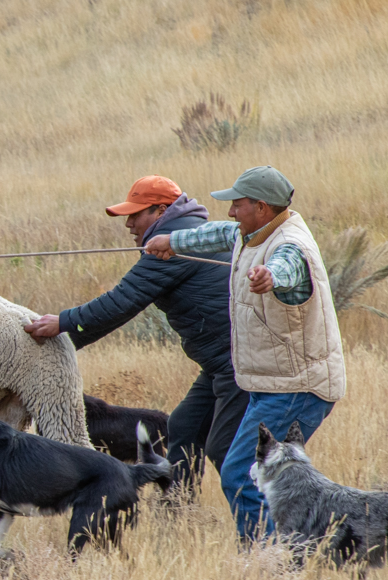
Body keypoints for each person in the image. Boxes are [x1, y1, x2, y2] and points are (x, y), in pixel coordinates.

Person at [145, 165, 346, 541]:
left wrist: (269, 277)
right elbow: (215, 233)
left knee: (241, 474)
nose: (230, 212)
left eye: (237, 204)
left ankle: (268, 561)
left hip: (295, 388)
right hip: (272, 384)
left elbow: (287, 270)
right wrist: (172, 242)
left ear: (262, 207)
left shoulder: (289, 247)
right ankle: (292, 549)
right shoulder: (251, 233)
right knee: (266, 474)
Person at [25, 176, 250, 498]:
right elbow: (124, 308)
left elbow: (121, 301)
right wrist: (61, 344)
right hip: (221, 363)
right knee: (183, 428)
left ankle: (264, 529)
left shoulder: (174, 242)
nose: (128, 223)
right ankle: (178, 509)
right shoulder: (186, 236)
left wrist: (62, 323)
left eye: (135, 214)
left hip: (237, 362)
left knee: (227, 448)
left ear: (161, 210)